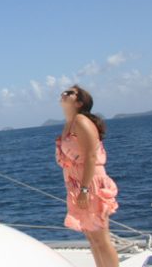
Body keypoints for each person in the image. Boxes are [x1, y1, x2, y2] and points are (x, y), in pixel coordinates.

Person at [56, 85, 119, 267]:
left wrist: (84, 189)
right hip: (78, 184)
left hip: (90, 183)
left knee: (101, 237)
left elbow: (91, 156)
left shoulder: (81, 121)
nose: (64, 94)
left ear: (79, 102)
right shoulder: (70, 124)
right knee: (92, 237)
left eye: (69, 93)